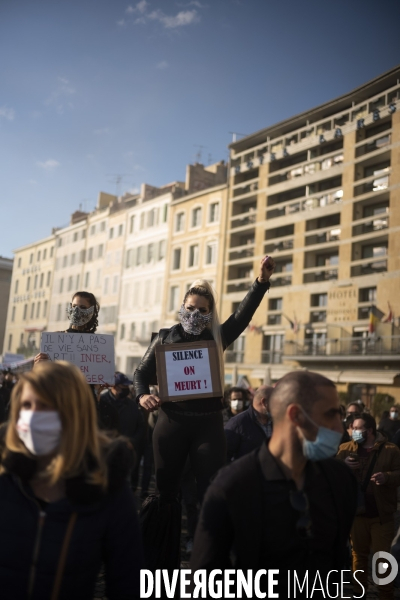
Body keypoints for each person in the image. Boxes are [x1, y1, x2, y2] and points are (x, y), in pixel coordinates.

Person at [134, 256, 275, 568]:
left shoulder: (217, 337)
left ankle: (208, 557)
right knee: (166, 492)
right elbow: (140, 374)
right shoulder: (163, 336)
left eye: (202, 310)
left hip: (208, 426)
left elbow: (242, 315)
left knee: (209, 490)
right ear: (182, 306)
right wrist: (142, 395)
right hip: (170, 422)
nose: (195, 314)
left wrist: (261, 282)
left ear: (210, 313)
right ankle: (158, 557)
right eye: (190, 307)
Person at [191, 371, 357, 598]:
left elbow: (336, 564)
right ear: (296, 415)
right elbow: (206, 581)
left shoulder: (340, 481)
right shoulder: (231, 487)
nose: (340, 428)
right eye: (330, 415)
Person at [0, 361, 143, 599]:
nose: (33, 416)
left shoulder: (106, 484)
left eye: (46, 407)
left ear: (74, 414)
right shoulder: (4, 474)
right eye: (26, 405)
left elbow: (128, 581)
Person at [337, 412, 400, 600]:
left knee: (383, 558)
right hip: (356, 512)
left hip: (381, 514)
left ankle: (386, 594)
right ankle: (359, 593)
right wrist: (343, 465)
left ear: (370, 430)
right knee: (358, 556)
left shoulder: (391, 450)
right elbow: (334, 474)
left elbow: (399, 473)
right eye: (352, 428)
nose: (353, 431)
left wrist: (387, 477)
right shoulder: (345, 448)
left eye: (357, 428)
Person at [99, 372, 146, 491]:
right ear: (114, 387)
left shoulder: (132, 405)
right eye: (123, 387)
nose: (127, 390)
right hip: (105, 451)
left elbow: (141, 426)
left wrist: (132, 442)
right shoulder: (102, 403)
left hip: (126, 449)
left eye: (127, 387)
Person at [224, 385, 273, 461]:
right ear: (264, 402)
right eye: (276, 401)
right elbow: (225, 456)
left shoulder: (276, 422)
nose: (279, 405)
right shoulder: (237, 423)